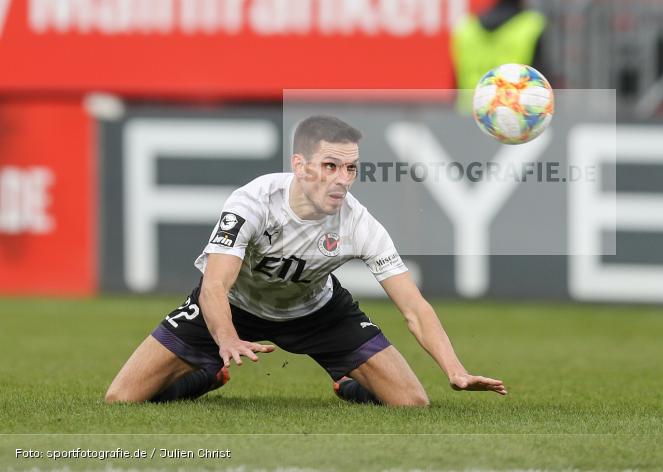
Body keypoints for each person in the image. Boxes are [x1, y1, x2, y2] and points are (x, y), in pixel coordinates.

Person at [105, 115, 506, 407]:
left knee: (412, 403)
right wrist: (225, 339)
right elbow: (214, 286)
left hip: (318, 314)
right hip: (236, 308)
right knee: (121, 398)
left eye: (351, 168)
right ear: (300, 165)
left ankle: (347, 384)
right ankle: (204, 376)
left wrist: (455, 370)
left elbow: (414, 307)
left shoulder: (359, 224)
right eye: (330, 166)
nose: (343, 179)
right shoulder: (253, 203)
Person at [451, 0, 550, 111]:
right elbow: (541, 79)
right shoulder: (531, 25)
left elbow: (455, 78)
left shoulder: (467, 27)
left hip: (471, 111)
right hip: (515, 114)